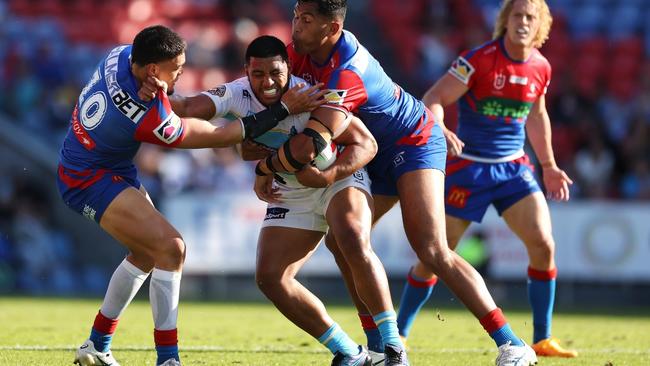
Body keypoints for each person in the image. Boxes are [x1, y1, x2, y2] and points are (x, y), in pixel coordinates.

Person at [254, 1, 537, 365]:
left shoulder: (349, 71)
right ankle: (378, 346)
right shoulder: (299, 52)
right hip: (370, 149)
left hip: (412, 141)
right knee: (342, 240)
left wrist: (268, 168)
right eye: (296, 16)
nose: (297, 26)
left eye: (307, 20)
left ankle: (511, 343)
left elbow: (310, 143)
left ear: (332, 29)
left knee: (431, 248)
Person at [140, 34, 405, 366]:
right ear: (246, 72)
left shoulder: (313, 92)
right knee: (270, 278)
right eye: (258, 74)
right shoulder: (236, 93)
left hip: (337, 179)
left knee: (351, 236)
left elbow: (366, 144)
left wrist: (327, 175)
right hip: (290, 191)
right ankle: (349, 351)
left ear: (289, 68)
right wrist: (159, 93)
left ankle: (394, 349)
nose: (267, 82)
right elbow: (190, 107)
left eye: (275, 73)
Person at [58, 25, 289, 366]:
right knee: (172, 248)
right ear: (153, 70)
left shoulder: (118, 56)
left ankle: (96, 345)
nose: (181, 72)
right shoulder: (144, 110)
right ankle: (168, 359)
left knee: (146, 253)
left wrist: (163, 91)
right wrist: (279, 112)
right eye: (177, 67)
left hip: (97, 164)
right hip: (89, 179)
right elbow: (218, 136)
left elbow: (151, 92)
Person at [395, 0, 578, 359]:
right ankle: (398, 332)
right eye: (517, 16)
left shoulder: (541, 66)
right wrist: (442, 127)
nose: (523, 22)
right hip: (470, 168)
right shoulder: (478, 59)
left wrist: (550, 164)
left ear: (541, 24)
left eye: (531, 17)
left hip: (513, 168)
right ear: (505, 21)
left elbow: (537, 115)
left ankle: (541, 339)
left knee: (543, 244)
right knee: (435, 254)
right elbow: (434, 98)